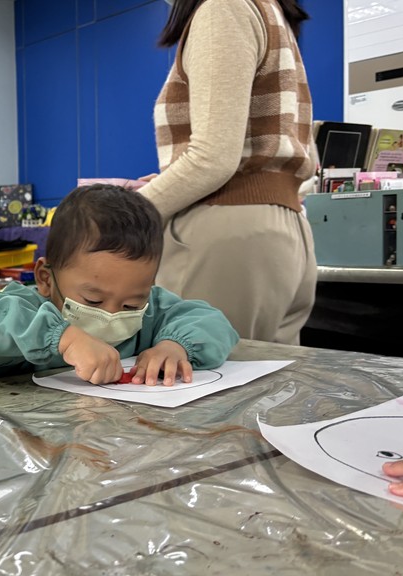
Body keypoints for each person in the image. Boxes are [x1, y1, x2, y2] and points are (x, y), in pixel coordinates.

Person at [137, 0, 316, 345]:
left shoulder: (223, 8)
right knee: (270, 376)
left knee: (196, 372)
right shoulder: (268, 11)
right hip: (287, 229)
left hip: (226, 227)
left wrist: (124, 215)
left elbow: (212, 159)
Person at [0, 184, 238, 383]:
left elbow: (211, 322)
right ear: (46, 279)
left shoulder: (153, 310)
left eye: (130, 304)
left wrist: (175, 346)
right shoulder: (26, 308)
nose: (110, 315)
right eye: (93, 301)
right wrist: (64, 338)